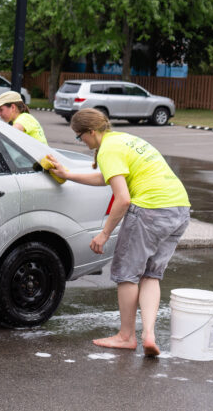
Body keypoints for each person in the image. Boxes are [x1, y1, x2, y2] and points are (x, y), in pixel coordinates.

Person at [48, 108, 190, 357]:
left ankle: (126, 336)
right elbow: (108, 178)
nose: (81, 141)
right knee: (151, 275)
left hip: (150, 211)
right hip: (178, 210)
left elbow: (122, 199)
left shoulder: (108, 150)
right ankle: (148, 335)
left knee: (127, 274)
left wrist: (104, 233)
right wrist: (68, 175)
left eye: (80, 136)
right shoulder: (124, 139)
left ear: (91, 132)